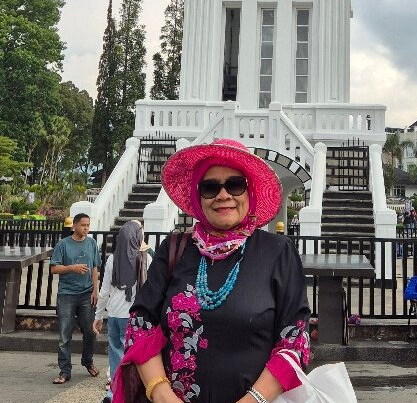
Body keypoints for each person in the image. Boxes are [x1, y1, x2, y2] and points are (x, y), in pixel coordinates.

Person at [113, 138, 310, 403]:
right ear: (198, 197)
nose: (223, 195)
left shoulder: (277, 252)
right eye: (210, 187)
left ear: (249, 192)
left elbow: (294, 340)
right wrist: (162, 394)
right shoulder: (174, 249)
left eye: (235, 185)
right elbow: (141, 324)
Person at [95, 221, 151, 402]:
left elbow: (104, 291)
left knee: (115, 353)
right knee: (134, 355)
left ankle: (113, 393)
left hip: (114, 314)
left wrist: (98, 315)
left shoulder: (113, 258)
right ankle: (130, 391)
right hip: (134, 316)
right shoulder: (145, 259)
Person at [50, 212, 101, 384]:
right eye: (83, 225)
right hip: (67, 294)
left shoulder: (92, 243)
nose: (86, 228)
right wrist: (72, 268)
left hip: (87, 293)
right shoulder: (63, 245)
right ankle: (65, 370)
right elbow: (54, 268)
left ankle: (88, 361)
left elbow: (95, 267)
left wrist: (96, 289)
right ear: (75, 226)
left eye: (88, 225)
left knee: (89, 330)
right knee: (65, 333)